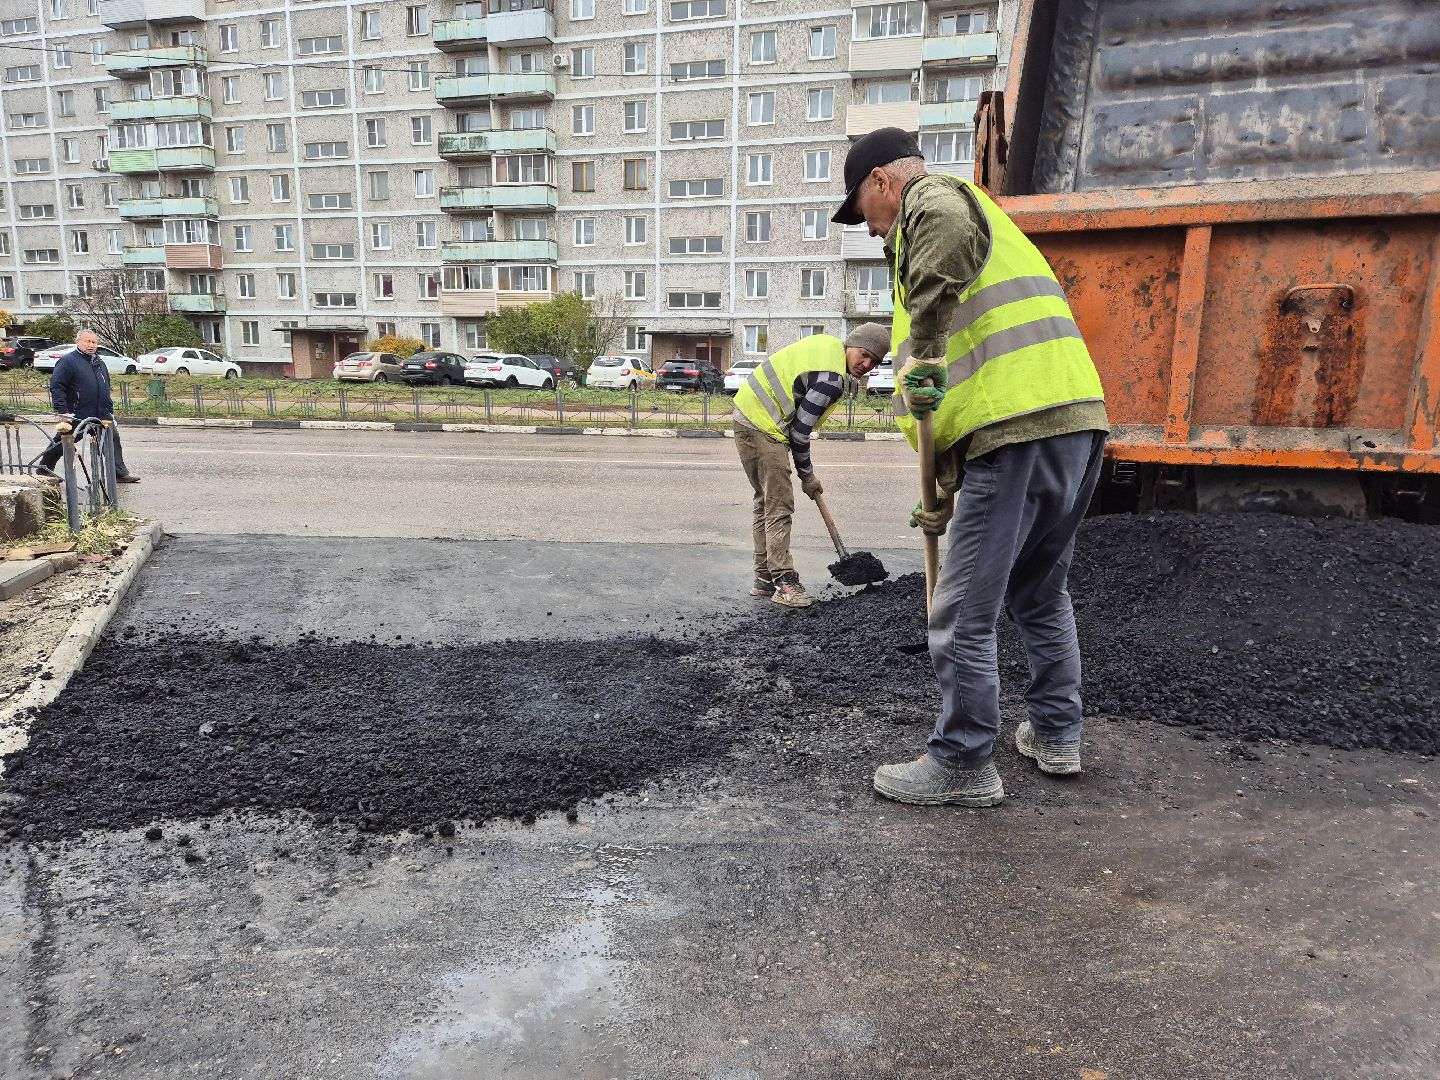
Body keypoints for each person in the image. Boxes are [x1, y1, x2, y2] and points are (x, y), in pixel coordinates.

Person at [831, 128, 1108, 807]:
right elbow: (967, 381)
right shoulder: (987, 231)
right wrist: (947, 496)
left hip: (1014, 431)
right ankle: (1055, 734)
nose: (869, 230)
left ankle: (962, 761)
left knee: (961, 612)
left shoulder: (937, 199)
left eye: (862, 212)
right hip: (1071, 421)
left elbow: (951, 359)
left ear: (881, 183)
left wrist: (919, 349)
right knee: (1040, 594)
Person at [732, 326, 889, 608]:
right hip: (763, 424)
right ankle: (784, 582)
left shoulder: (828, 347)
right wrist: (808, 477)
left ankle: (764, 579)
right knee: (779, 504)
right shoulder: (832, 379)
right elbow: (800, 433)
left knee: (765, 501)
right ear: (851, 345)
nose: (866, 365)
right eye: (864, 355)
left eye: (874, 362)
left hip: (746, 413)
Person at [36, 328, 140, 484]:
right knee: (62, 442)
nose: (91, 345)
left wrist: (109, 410)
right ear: (78, 342)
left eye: (94, 342)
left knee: (112, 440)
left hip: (101, 413)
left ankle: (120, 473)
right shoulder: (68, 361)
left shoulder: (99, 362)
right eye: (87, 341)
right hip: (77, 413)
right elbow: (57, 386)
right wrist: (63, 410)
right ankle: (44, 471)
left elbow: (105, 386)